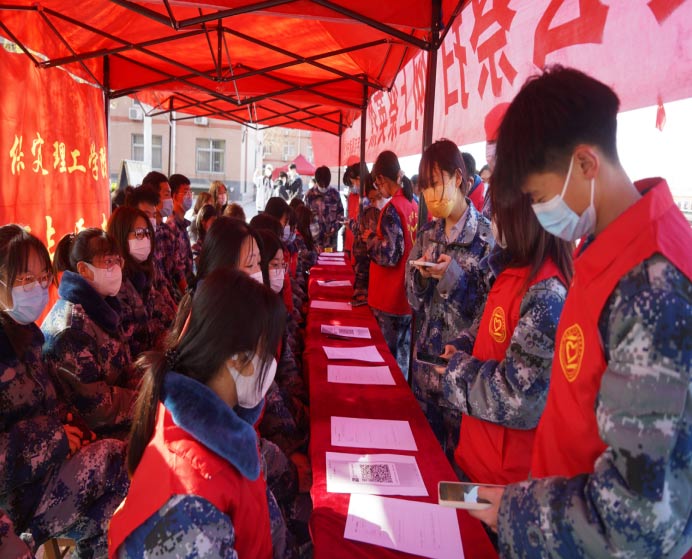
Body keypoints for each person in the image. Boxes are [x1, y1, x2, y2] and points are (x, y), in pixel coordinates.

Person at [469, 66, 692, 558]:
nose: (539, 211)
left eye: (540, 196)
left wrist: (516, 511)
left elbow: (637, 516)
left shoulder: (652, 287)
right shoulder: (605, 250)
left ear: (587, 163)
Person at [108, 268, 285, 558]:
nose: (272, 365)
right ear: (239, 360)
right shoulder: (191, 507)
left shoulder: (187, 416)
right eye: (268, 352)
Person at [0, 225, 128, 557]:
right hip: (17, 504)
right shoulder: (65, 327)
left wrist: (74, 433)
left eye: (43, 278)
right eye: (26, 279)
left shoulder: (27, 337)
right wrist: (56, 438)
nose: (39, 288)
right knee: (117, 457)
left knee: (117, 513)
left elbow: (55, 406)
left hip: (49, 481)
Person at [436, 182, 573, 485]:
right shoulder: (510, 270)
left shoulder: (545, 291)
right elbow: (489, 328)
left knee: (473, 533)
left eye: (496, 211)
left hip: (504, 486)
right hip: (476, 461)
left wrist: (456, 370)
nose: (490, 218)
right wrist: (462, 345)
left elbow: (519, 396)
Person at [406, 139, 493, 458]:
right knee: (422, 463)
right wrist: (420, 275)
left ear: (458, 178)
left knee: (456, 476)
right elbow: (411, 300)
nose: (429, 195)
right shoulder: (428, 235)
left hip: (460, 379)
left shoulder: (486, 239)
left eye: (436, 184)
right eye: (425, 187)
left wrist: (453, 279)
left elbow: (488, 314)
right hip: (423, 373)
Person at [42, 229, 137, 437]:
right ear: (84, 270)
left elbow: (122, 372)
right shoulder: (71, 330)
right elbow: (97, 410)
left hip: (117, 419)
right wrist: (147, 400)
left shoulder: (103, 308)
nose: (115, 268)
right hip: (91, 437)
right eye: (107, 261)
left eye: (116, 260)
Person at [365, 150, 418, 379]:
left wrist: (370, 239)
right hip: (405, 297)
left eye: (378, 182)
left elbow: (390, 255)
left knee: (386, 364)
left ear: (382, 180)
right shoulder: (412, 204)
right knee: (401, 364)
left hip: (389, 297)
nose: (378, 188)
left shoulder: (392, 210)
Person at [108, 206, 176, 354]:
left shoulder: (144, 276)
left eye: (147, 233)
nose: (145, 239)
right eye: (139, 233)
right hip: (140, 368)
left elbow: (166, 315)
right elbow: (132, 341)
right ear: (121, 235)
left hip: (158, 360)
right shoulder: (114, 285)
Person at [349, 176, 383, 305]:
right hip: (367, 274)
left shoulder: (377, 211)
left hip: (375, 279)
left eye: (377, 198)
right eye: (372, 199)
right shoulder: (372, 210)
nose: (374, 203)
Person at [304, 165, 344, 252]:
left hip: (331, 241)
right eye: (321, 184)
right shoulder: (309, 195)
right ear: (317, 181)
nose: (323, 187)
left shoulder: (335, 194)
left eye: (325, 185)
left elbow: (341, 215)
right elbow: (304, 218)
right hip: (315, 242)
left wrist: (335, 227)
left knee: (330, 263)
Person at [168, 174, 194, 292]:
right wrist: (188, 296)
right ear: (173, 196)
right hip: (179, 292)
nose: (189, 196)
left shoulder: (183, 225)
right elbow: (177, 270)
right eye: (185, 192)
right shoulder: (171, 227)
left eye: (190, 192)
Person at [343, 162, 361, 259]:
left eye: (352, 183)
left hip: (359, 247)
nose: (351, 187)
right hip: (350, 244)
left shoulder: (368, 198)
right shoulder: (351, 197)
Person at [190, 204, 217, 271]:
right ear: (203, 222)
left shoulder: (215, 242)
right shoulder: (196, 246)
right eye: (213, 221)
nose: (216, 225)